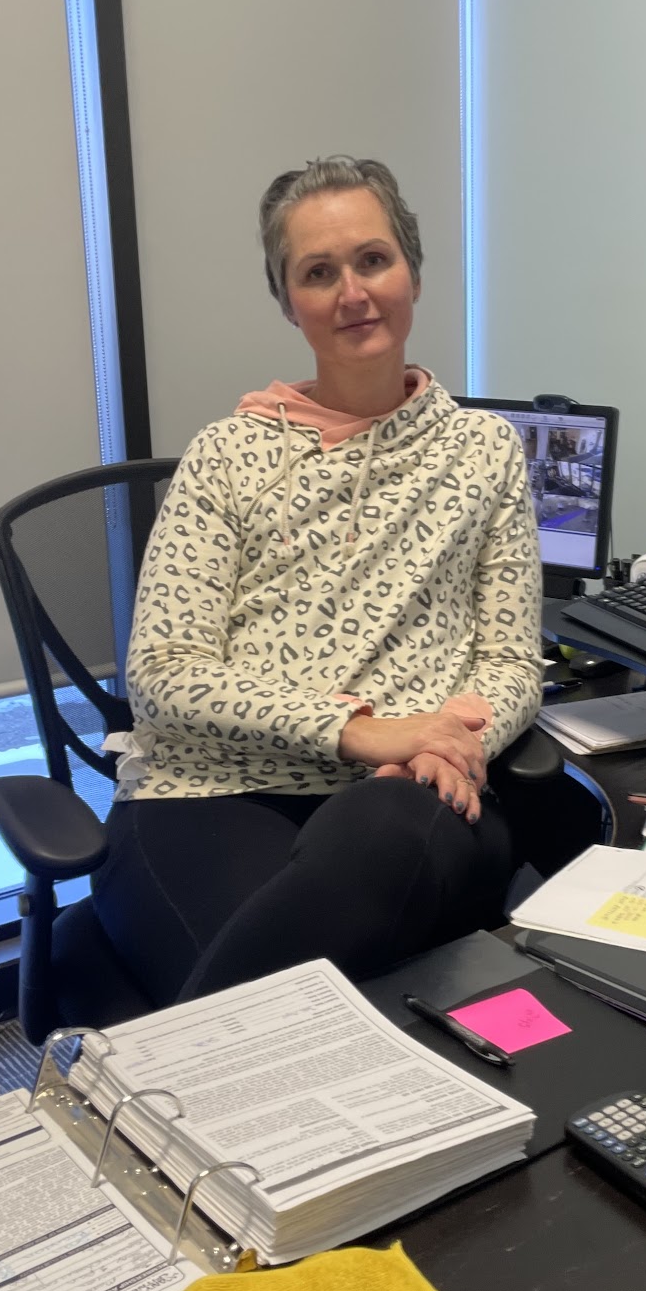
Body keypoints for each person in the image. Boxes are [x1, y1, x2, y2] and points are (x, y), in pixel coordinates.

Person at [92, 156, 543, 1007]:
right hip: (212, 789)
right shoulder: (227, 455)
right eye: (318, 273)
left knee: (381, 837)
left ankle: (145, 1075)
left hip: (415, 798)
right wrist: (364, 731)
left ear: (413, 272)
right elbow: (162, 674)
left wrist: (448, 739)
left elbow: (512, 660)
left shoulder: (484, 451)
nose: (352, 293)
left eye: (373, 260)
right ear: (287, 299)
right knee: (297, 999)